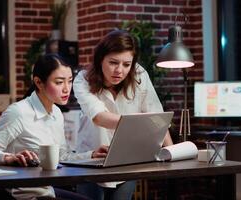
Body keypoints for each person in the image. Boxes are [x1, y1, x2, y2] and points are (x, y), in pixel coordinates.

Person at [0, 54, 103, 200]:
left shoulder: (56, 113)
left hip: (46, 191)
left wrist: (91, 155)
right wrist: (8, 157)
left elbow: (62, 156)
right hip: (20, 195)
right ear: (38, 82)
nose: (67, 89)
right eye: (59, 82)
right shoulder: (19, 112)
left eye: (69, 81)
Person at [73, 30, 174, 200]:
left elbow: (157, 117)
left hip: (127, 162)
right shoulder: (83, 79)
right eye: (113, 62)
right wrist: (142, 124)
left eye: (127, 64)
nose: (119, 70)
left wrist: (172, 153)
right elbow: (100, 117)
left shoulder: (139, 74)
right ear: (100, 59)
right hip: (91, 162)